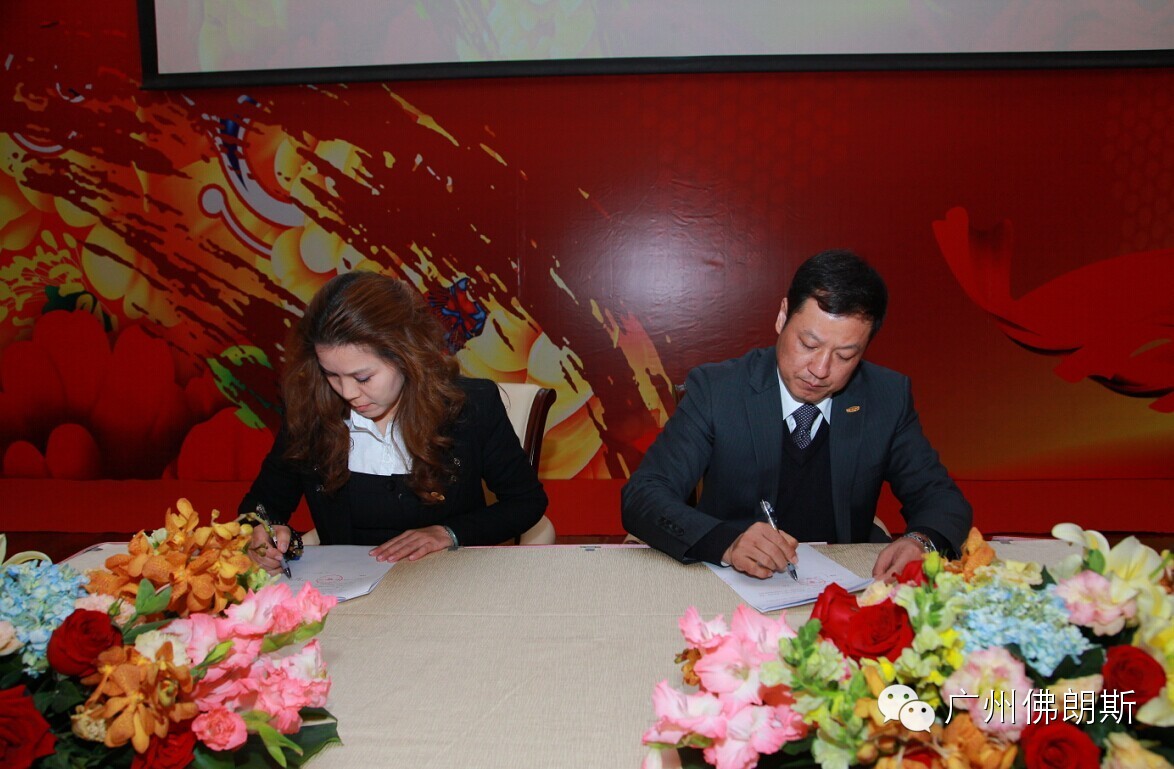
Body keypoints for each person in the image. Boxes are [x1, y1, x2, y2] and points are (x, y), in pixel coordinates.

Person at [621, 249, 971, 581]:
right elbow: (644, 494)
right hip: (733, 578)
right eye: (809, 344)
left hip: (845, 578)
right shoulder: (718, 390)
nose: (820, 369)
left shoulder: (885, 397)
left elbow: (941, 498)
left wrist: (921, 541)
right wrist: (727, 541)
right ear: (783, 316)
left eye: (845, 356)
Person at [240, 271, 547, 573]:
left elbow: (526, 502)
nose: (347, 392)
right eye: (331, 374)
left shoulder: (469, 408)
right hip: (346, 589)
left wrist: (449, 533)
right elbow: (261, 507)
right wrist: (262, 532)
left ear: (406, 355)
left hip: (451, 581)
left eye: (363, 377)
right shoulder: (312, 413)